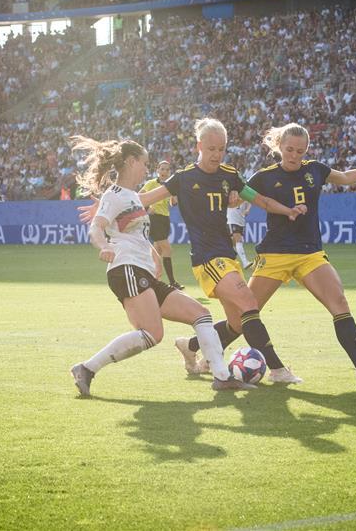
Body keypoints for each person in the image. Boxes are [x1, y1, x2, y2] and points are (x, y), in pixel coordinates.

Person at [179, 123, 356, 381]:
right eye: (290, 149)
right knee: (241, 318)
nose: (294, 156)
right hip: (274, 255)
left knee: (339, 302)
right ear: (279, 146)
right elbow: (236, 194)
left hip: (310, 254)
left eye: (300, 151)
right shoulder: (264, 177)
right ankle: (193, 346)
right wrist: (233, 197)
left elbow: (347, 177)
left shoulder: (315, 169)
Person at [67, 136, 253, 395]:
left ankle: (222, 377)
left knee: (201, 314)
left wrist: (154, 256)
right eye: (144, 163)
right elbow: (96, 228)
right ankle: (87, 368)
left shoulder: (133, 197)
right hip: (126, 267)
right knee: (152, 333)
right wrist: (103, 247)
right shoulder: (115, 195)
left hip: (141, 270)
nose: (147, 169)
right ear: (131, 162)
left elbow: (137, 234)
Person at [132, 118, 308, 384]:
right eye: (211, 149)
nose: (217, 154)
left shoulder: (229, 175)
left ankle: (190, 346)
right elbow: (144, 199)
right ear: (199, 147)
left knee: (237, 322)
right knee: (249, 302)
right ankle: (278, 370)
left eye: (221, 149)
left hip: (227, 255)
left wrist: (288, 210)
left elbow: (261, 200)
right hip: (207, 258)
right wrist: (108, 205)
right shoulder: (183, 178)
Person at [139, 160, 183, 289]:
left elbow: (173, 203)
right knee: (167, 249)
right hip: (155, 219)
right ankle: (172, 282)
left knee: (157, 251)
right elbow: (138, 197)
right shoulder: (151, 183)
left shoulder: (169, 185)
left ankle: (152, 281)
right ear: (157, 170)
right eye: (162, 169)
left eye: (167, 169)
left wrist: (175, 194)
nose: (164, 171)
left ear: (170, 172)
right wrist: (147, 209)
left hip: (164, 219)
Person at [227, 199, 253, 268]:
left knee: (233, 243)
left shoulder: (244, 195)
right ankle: (245, 262)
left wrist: (247, 209)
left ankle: (231, 256)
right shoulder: (232, 195)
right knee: (239, 241)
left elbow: (250, 201)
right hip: (232, 220)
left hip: (241, 222)